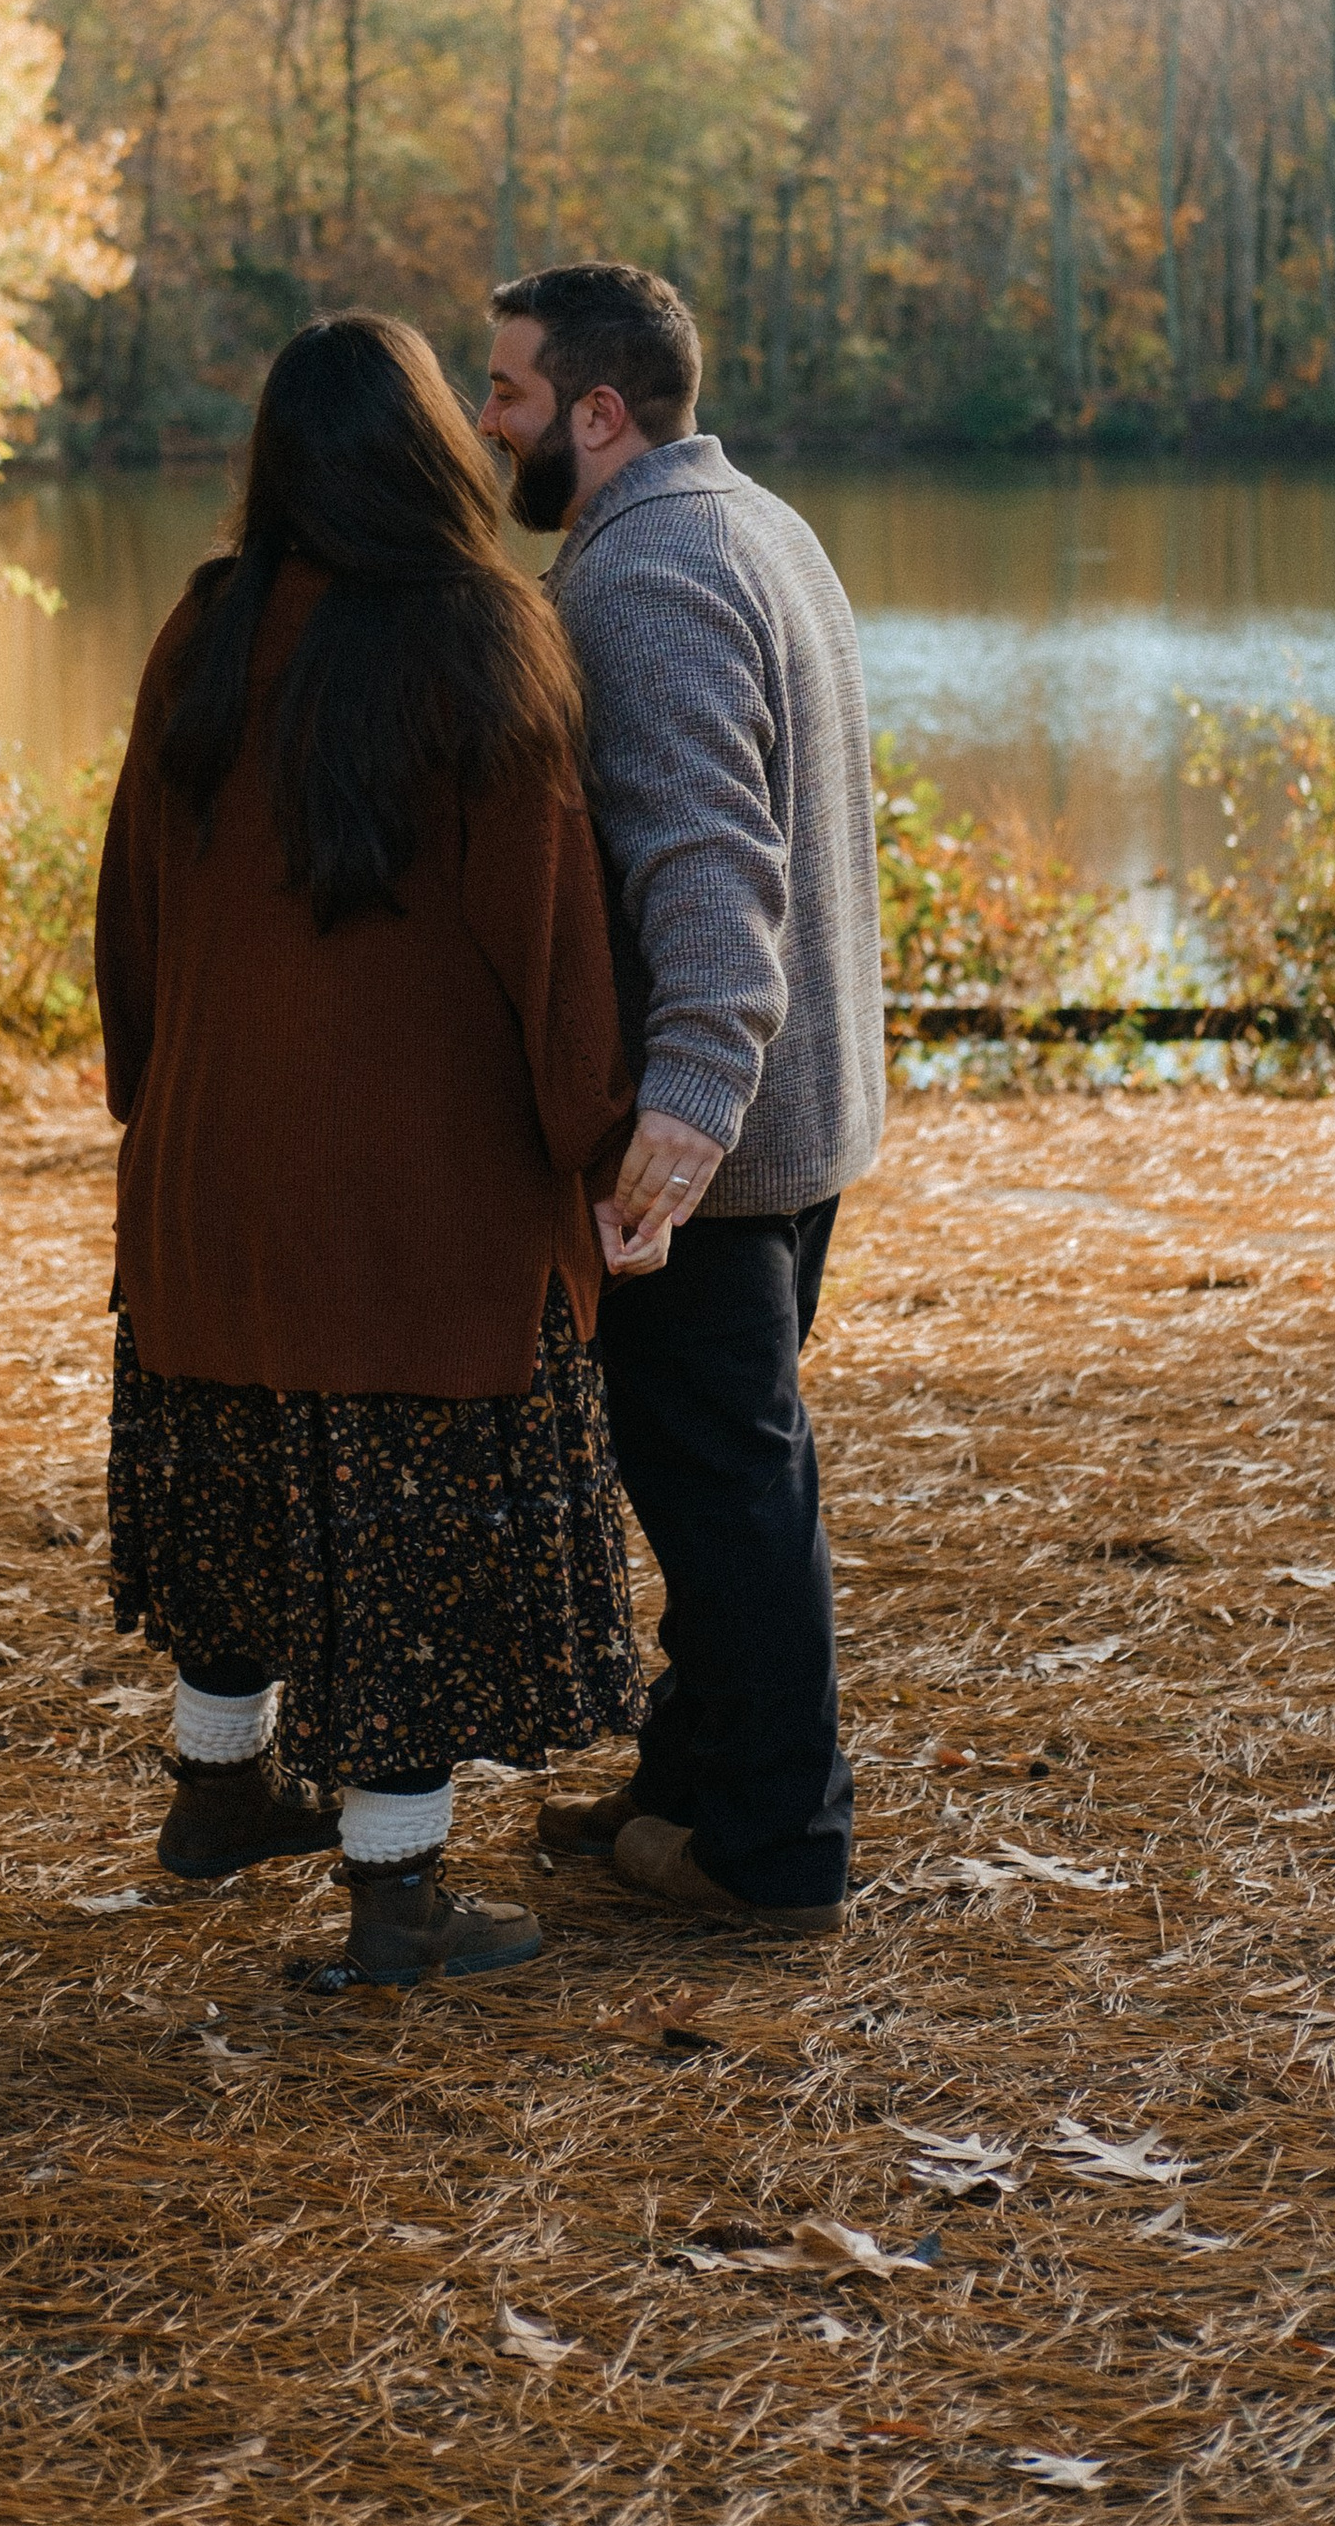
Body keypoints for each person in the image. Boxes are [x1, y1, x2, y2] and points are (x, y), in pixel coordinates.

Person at [94, 310, 645, 1986]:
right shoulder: (487, 641)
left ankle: (220, 1791)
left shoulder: (204, 623)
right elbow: (551, 941)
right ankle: (396, 1902)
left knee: (244, 1492)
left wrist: (153, 1099)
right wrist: (597, 1146)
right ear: (425, 455)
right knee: (406, 1546)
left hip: (210, 1176)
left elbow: (128, 908)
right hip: (418, 1212)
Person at [478, 262, 885, 1939]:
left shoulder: (640, 579)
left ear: (597, 411)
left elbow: (713, 861)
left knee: (729, 1497)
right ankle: (688, 1780)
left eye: (504, 391)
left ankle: (774, 1848)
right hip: (806, 1120)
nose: (484, 420)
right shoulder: (760, 523)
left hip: (714, 1148)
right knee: (723, 1479)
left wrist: (685, 1111)